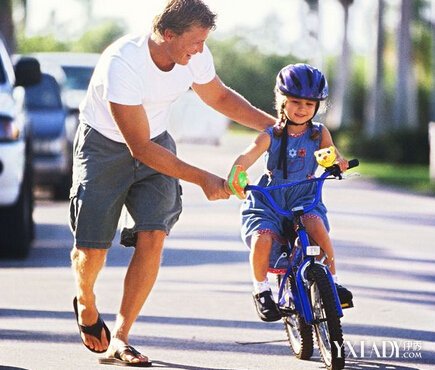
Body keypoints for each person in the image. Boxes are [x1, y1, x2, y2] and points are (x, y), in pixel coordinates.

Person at [70, 0, 275, 366]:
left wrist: (274, 127)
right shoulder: (123, 64)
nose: (200, 50)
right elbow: (140, 147)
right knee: (93, 249)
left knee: (154, 233)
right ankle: (85, 301)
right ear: (168, 34)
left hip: (156, 140)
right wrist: (204, 179)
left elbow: (220, 96)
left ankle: (121, 336)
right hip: (106, 145)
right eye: (194, 42)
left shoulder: (193, 54)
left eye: (203, 42)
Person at [226, 63, 353, 323]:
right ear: (282, 101)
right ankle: (261, 290)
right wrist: (237, 171)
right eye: (295, 102)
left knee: (317, 228)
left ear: (317, 106)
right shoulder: (271, 135)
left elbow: (330, 155)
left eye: (309, 104)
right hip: (271, 198)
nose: (302, 109)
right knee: (263, 236)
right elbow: (249, 154)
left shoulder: (319, 133)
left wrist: (337, 163)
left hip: (305, 195)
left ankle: (332, 281)